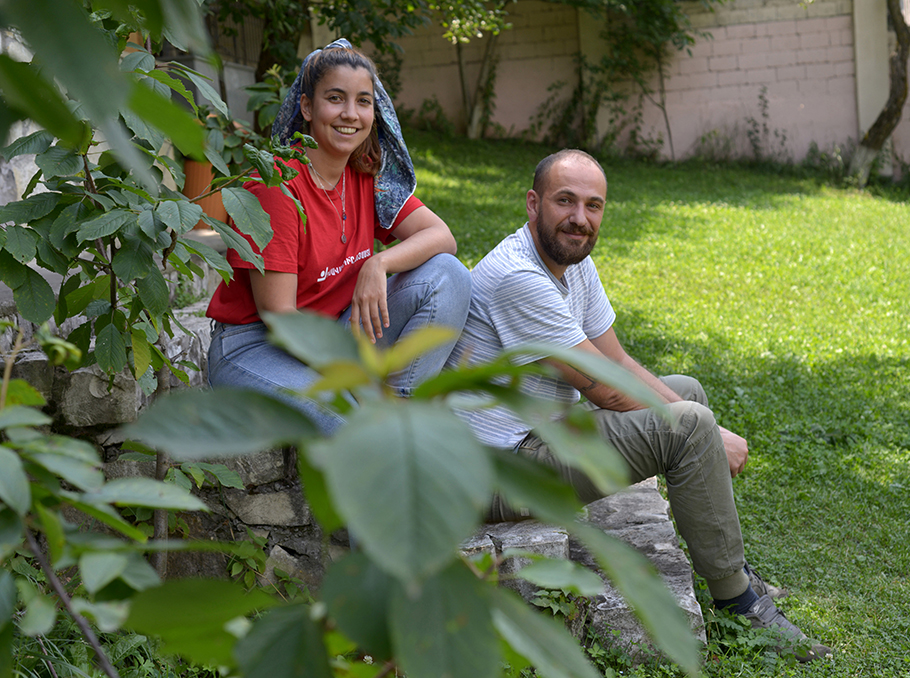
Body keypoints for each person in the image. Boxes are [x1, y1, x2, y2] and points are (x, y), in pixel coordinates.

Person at [444, 149, 832, 663]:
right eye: (565, 201)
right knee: (691, 426)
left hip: (539, 436)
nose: (580, 219)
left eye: (593, 205)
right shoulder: (519, 276)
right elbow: (603, 390)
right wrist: (710, 436)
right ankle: (738, 603)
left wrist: (703, 426)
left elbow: (616, 360)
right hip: (496, 474)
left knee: (687, 393)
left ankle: (729, 571)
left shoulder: (571, 262)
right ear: (534, 203)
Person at [206, 39, 471, 434]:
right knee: (352, 425)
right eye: (335, 98)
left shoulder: (366, 176)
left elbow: (441, 238)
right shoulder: (277, 187)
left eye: (363, 101)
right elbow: (279, 317)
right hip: (256, 347)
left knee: (449, 275)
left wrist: (379, 262)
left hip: (335, 330)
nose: (351, 114)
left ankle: (404, 413)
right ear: (307, 108)